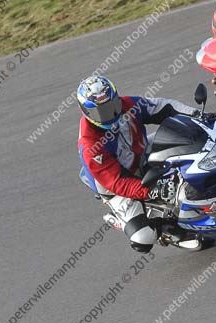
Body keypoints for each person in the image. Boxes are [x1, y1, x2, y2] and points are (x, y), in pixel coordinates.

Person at [77, 75, 198, 252]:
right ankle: (164, 229)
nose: (111, 113)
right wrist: (150, 190)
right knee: (143, 239)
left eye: (113, 105)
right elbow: (117, 182)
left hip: (142, 154)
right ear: (88, 113)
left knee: (184, 138)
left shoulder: (128, 105)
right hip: (116, 185)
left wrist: (195, 114)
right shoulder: (90, 146)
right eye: (102, 111)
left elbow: (163, 106)